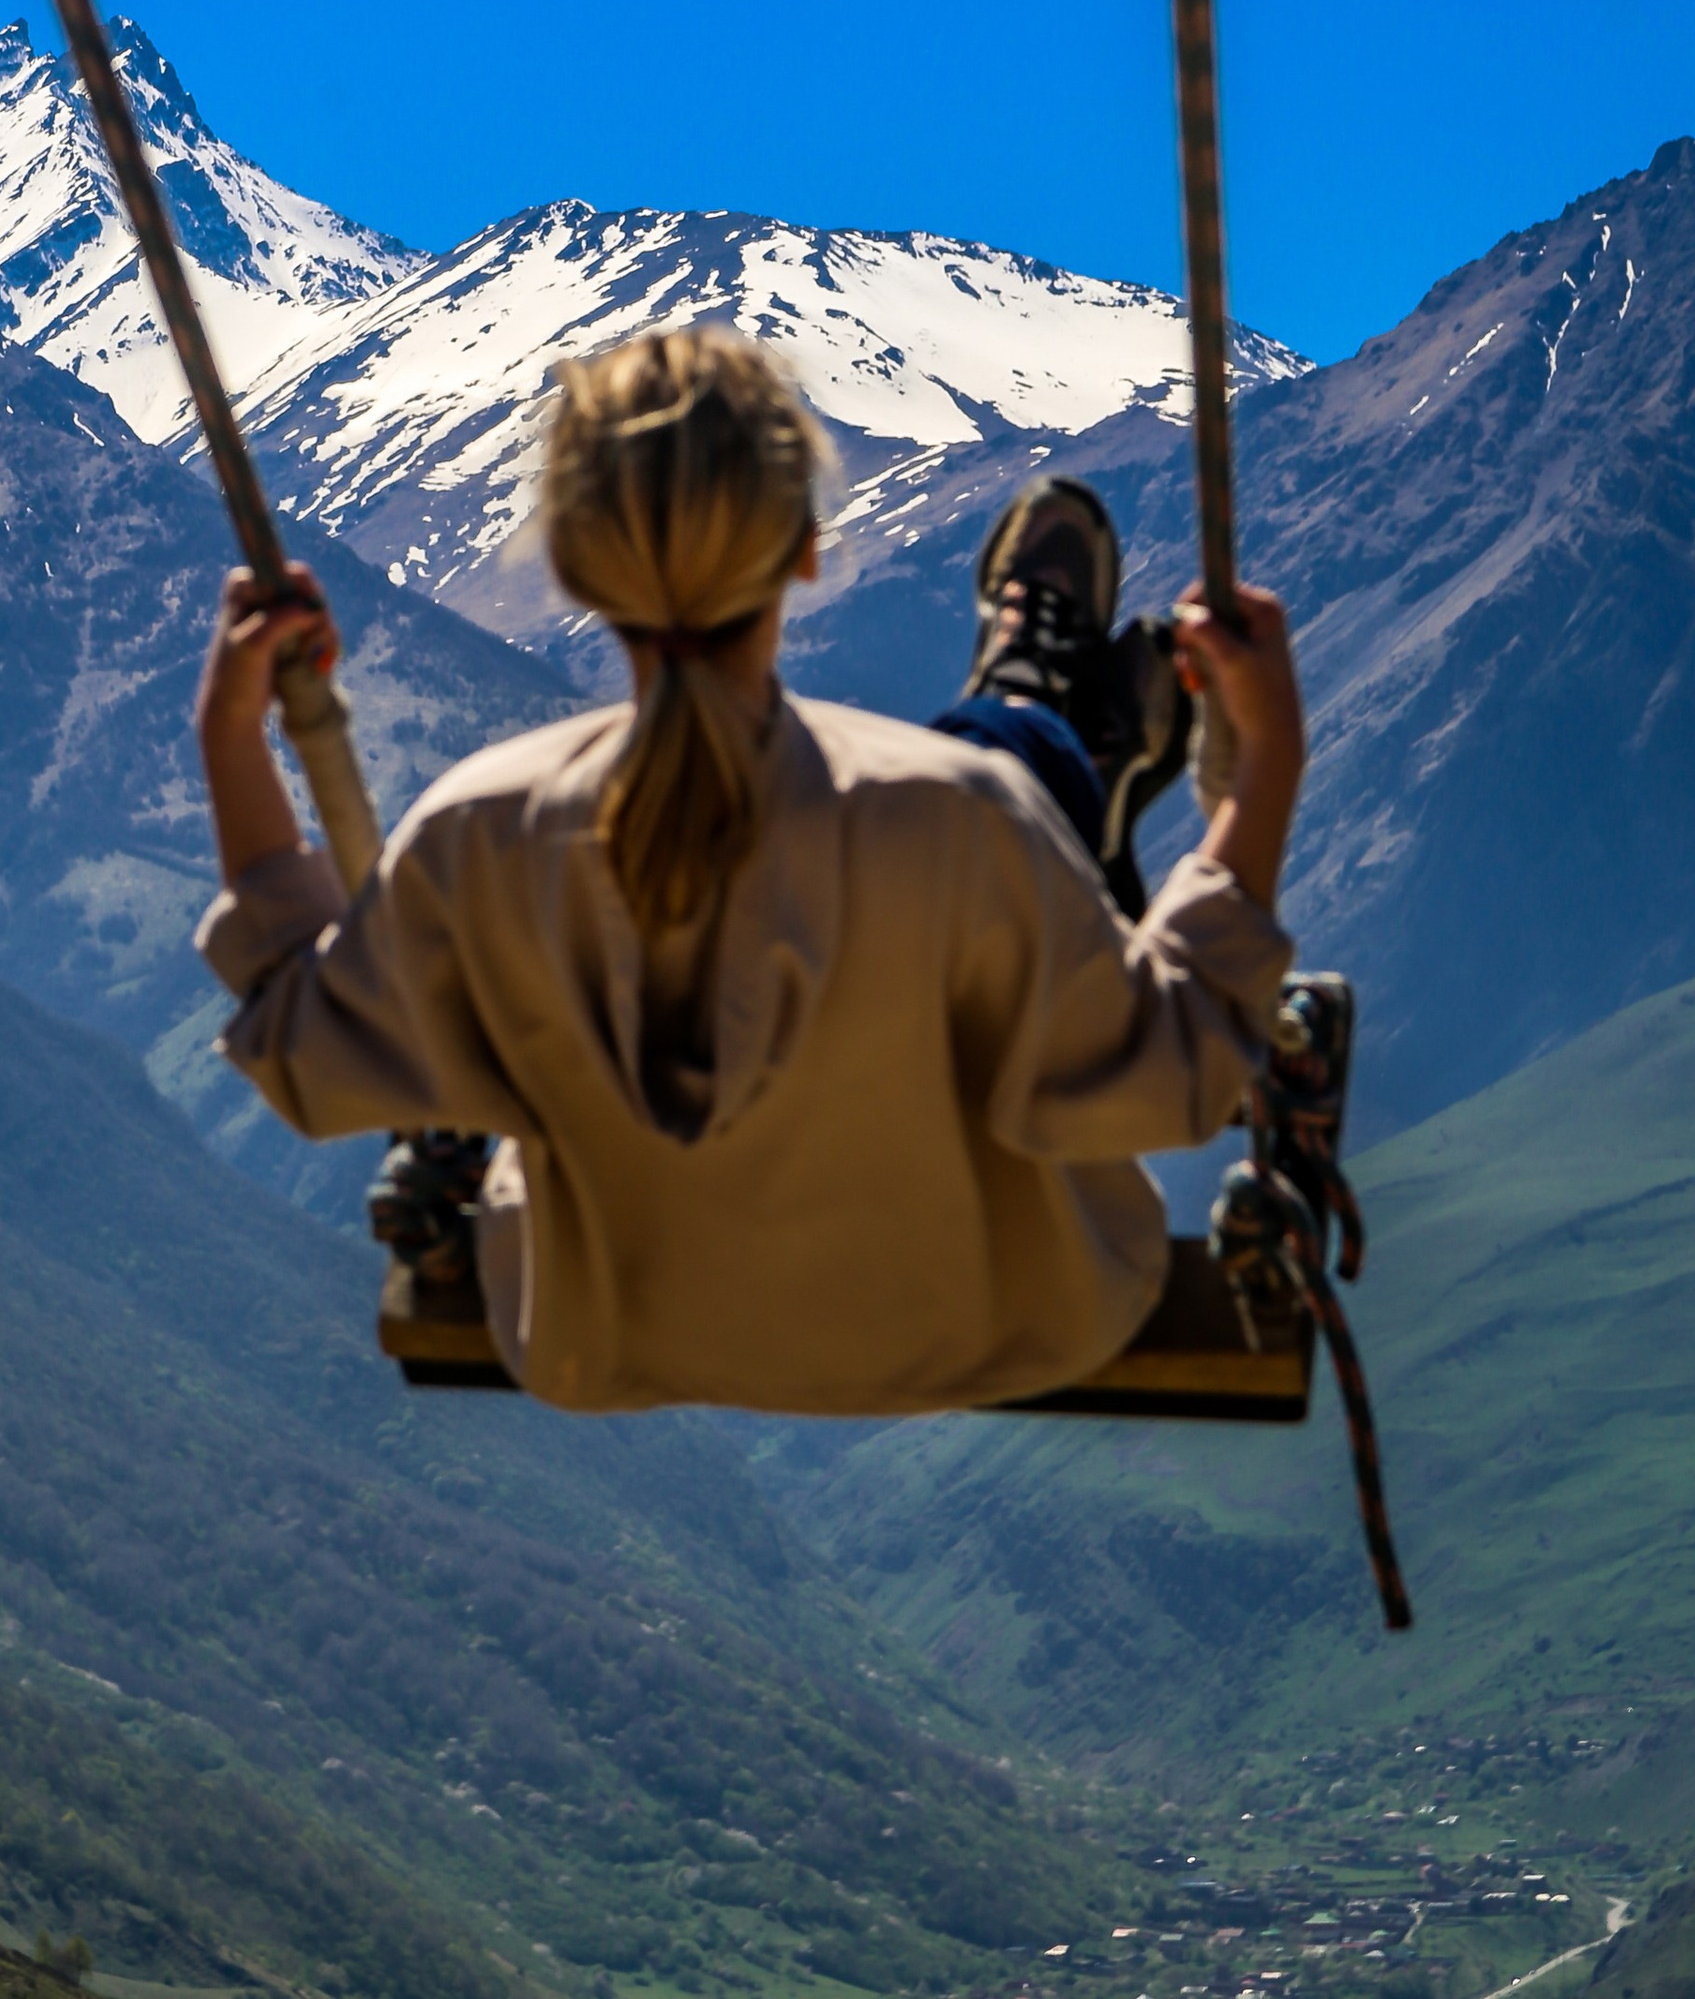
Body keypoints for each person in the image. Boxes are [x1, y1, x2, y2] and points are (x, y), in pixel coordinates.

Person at [191, 327, 1307, 1419]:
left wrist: (234, 737)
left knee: (973, 795)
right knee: (993, 775)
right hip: (999, 1316)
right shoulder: (956, 820)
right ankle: (1046, 725)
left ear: (575, 568)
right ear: (807, 548)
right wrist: (1265, 770)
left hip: (601, 1333)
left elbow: (303, 1042)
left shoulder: (478, 833)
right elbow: (1169, 1074)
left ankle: (1039, 723)